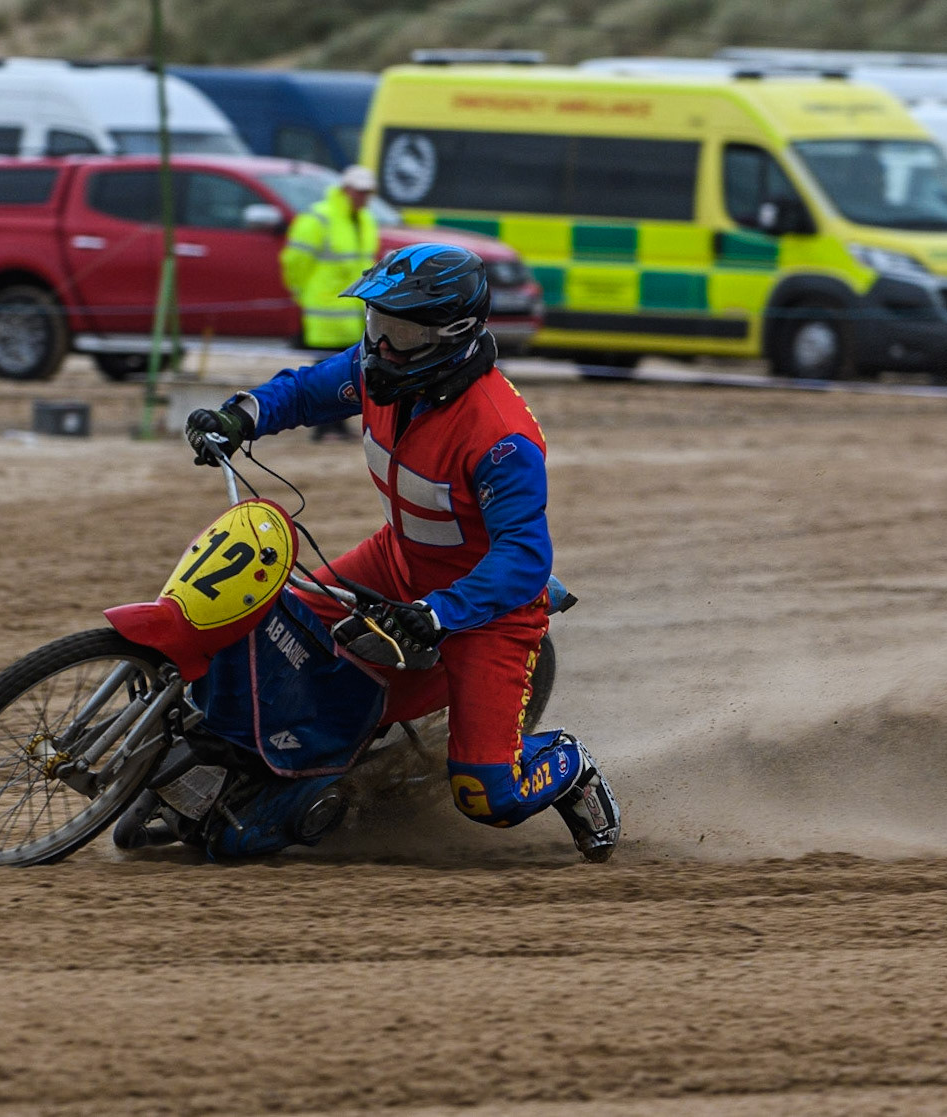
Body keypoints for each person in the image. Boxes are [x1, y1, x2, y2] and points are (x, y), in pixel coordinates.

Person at [184, 244, 622, 862]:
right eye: (376, 326)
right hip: (395, 562)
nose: (381, 347)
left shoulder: (501, 438)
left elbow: (525, 557)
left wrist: (440, 613)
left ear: (455, 336)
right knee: (276, 631)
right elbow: (306, 392)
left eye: (401, 332)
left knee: (485, 796)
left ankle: (569, 765)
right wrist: (241, 415)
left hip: (484, 613)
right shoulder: (381, 374)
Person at [280, 164, 381, 442]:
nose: (363, 197)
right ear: (345, 189)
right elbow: (294, 262)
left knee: (348, 372)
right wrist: (302, 293)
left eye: (367, 193)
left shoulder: (365, 220)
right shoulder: (318, 219)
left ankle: (337, 423)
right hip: (326, 312)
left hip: (351, 313)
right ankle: (322, 425)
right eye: (359, 191)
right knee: (324, 372)